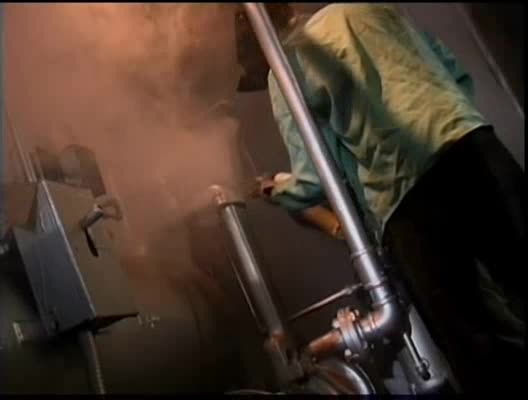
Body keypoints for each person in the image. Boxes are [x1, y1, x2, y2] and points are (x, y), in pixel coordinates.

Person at [235, 3, 524, 394]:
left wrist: (276, 188)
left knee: (471, 342)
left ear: (259, 40)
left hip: (408, 200)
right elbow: (453, 71)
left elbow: (313, 178)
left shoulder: (285, 69)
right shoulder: (367, 8)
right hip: (475, 149)